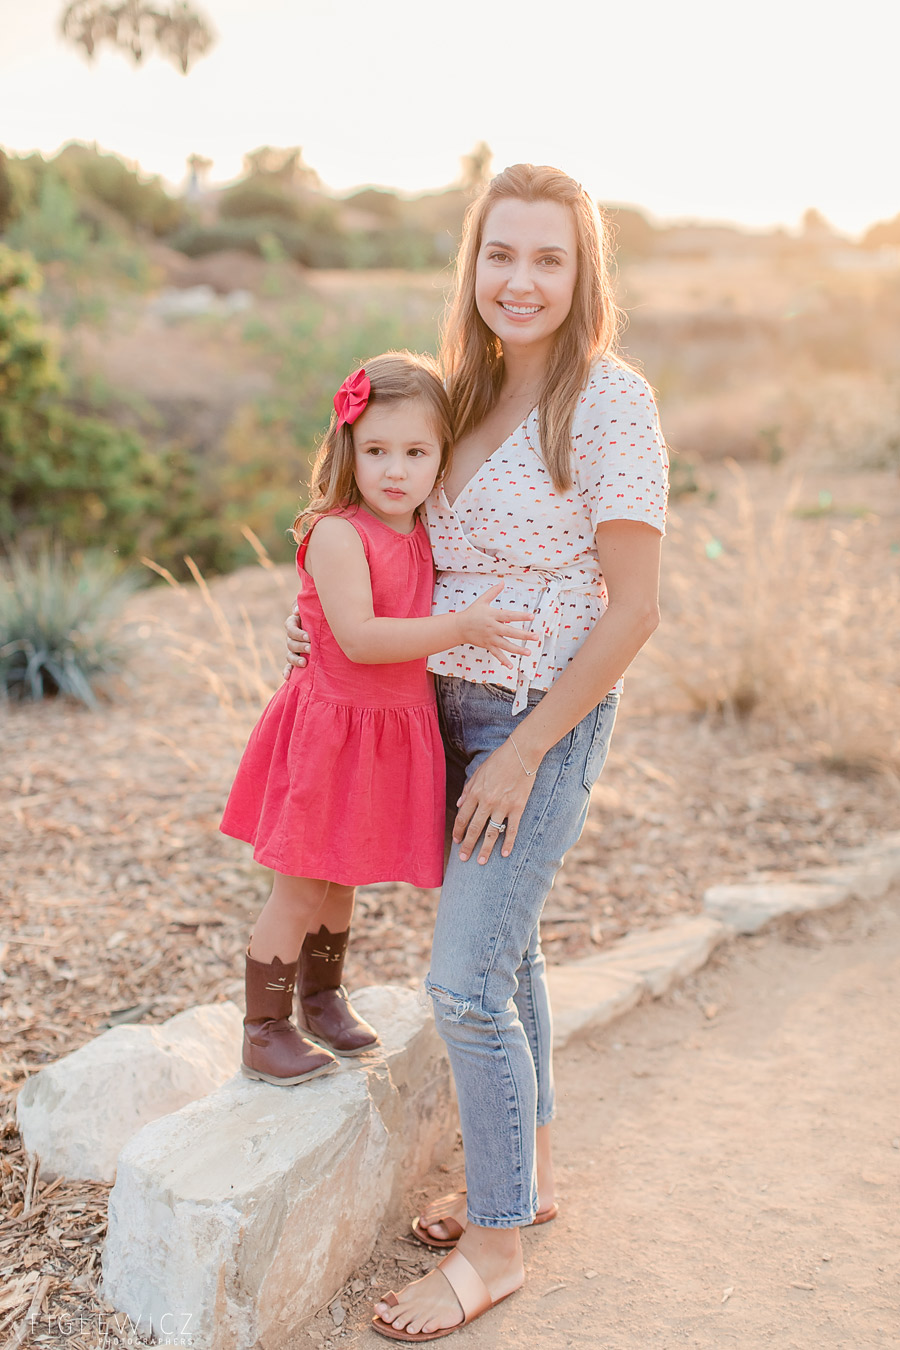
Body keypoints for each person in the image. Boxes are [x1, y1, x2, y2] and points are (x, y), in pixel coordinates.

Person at [283, 165, 669, 1339]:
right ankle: (532, 1179)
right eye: (501, 254)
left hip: (536, 722)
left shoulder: (609, 403)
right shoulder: (460, 396)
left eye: (548, 258)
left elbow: (635, 608)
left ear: (581, 271)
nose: (521, 279)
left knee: (461, 983)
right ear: (475, 265)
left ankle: (498, 1247)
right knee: (511, 956)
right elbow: (390, 536)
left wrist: (519, 757)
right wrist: (325, 612)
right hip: (439, 711)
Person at [221, 351, 537, 1087]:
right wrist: (463, 627)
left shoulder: (422, 532)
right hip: (334, 730)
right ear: (349, 451)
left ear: (441, 458)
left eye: (416, 452)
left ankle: (322, 998)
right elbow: (360, 639)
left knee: (343, 875)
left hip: (381, 732)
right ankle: (262, 1029)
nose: (396, 470)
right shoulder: (339, 532)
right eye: (377, 451)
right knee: (301, 882)